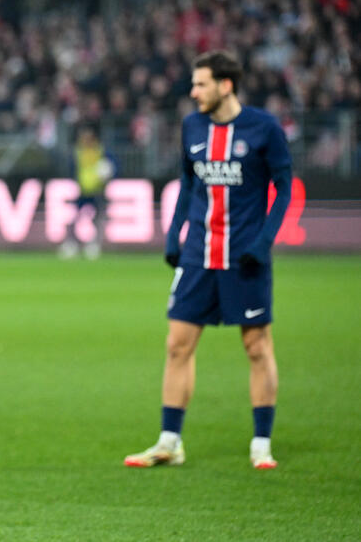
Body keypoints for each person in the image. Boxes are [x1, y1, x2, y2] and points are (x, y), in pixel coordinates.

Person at [124, 51, 292, 470]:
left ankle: (261, 444)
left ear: (226, 85)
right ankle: (169, 442)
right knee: (177, 344)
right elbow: (188, 182)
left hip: (245, 257)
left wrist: (264, 241)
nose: (193, 91)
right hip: (199, 254)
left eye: (201, 84)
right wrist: (173, 231)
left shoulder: (264, 127)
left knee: (256, 346)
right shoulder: (192, 125)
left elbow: (284, 189)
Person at [59, 125, 116, 260]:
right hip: (82, 189)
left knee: (97, 219)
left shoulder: (101, 150)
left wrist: (108, 173)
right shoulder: (77, 151)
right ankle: (71, 244)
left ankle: (94, 245)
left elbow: (113, 166)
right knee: (75, 218)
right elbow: (72, 168)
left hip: (97, 190)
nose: (85, 139)